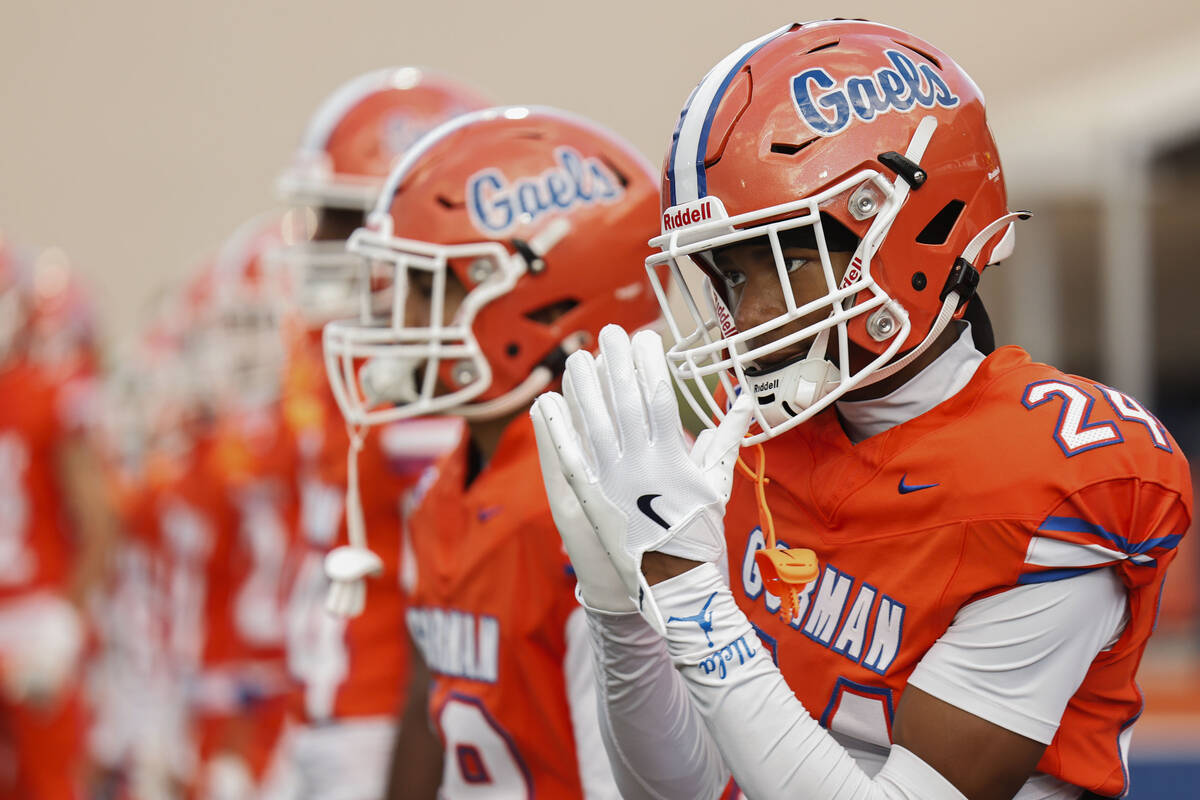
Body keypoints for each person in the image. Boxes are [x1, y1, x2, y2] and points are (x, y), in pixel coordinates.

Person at [531, 19, 1193, 800]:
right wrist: (620, 613)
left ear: (915, 230)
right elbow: (676, 792)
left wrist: (687, 592)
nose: (749, 315)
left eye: (791, 257)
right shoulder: (761, 445)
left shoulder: (1061, 472)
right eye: (732, 278)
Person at [320, 104, 664, 798]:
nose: (399, 321)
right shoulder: (452, 481)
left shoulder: (592, 502)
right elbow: (433, 706)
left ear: (539, 309)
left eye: (427, 289)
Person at [264, 67, 490, 800]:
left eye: (341, 217)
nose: (318, 239)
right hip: (321, 706)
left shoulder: (428, 374)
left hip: (382, 723)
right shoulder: (340, 354)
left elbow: (444, 607)